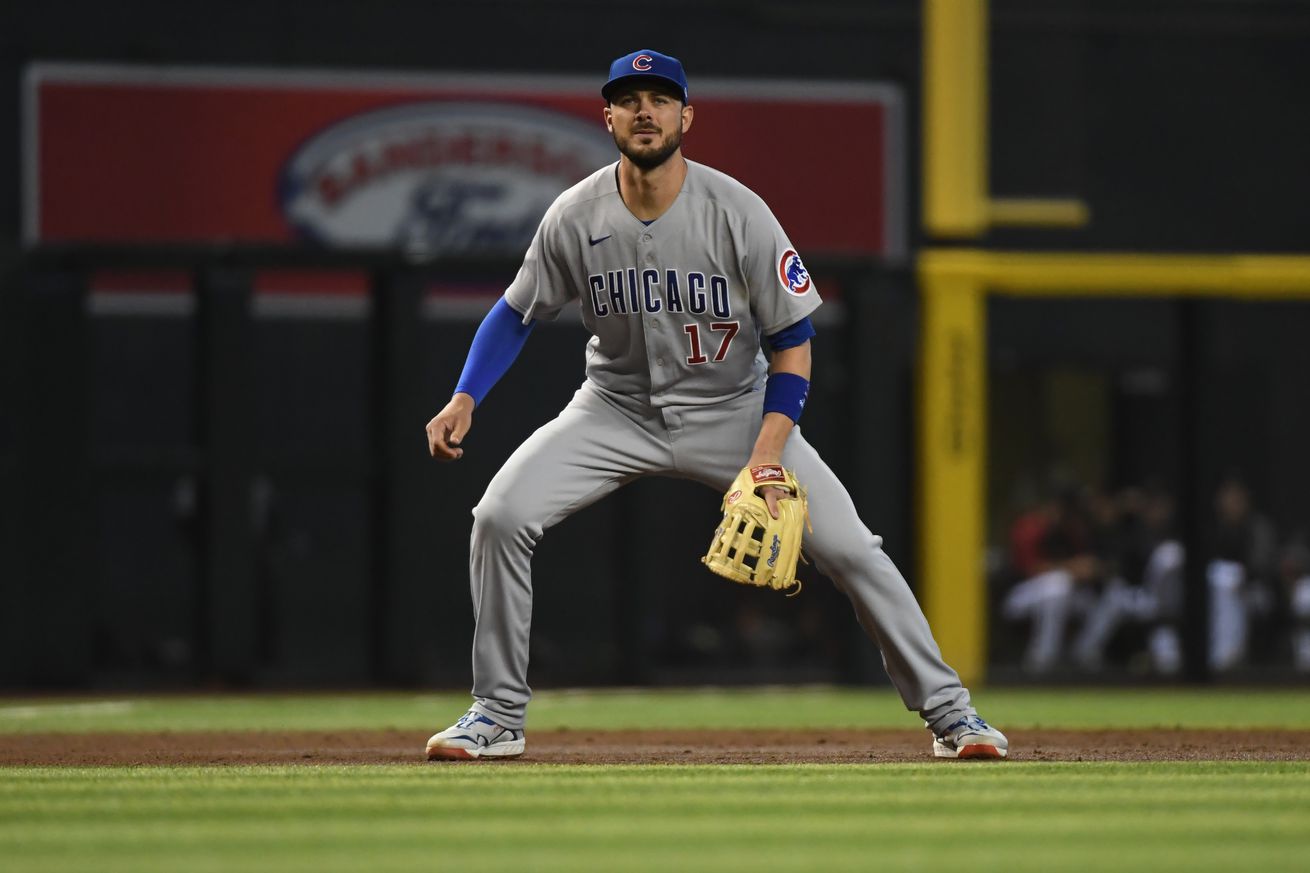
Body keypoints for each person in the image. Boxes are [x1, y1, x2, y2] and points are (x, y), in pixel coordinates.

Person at [422, 49, 1008, 761]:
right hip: (613, 408)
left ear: (685, 116)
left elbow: (794, 342)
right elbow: (515, 313)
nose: (645, 110)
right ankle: (496, 715)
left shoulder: (737, 211)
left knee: (854, 549)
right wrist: (465, 396)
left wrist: (765, 456)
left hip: (734, 410)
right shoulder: (574, 215)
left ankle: (954, 716)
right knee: (500, 517)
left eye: (660, 99)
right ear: (606, 115)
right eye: (629, 98)